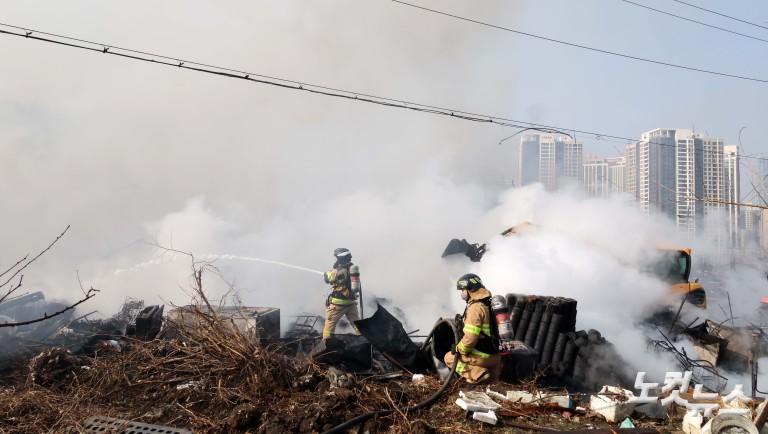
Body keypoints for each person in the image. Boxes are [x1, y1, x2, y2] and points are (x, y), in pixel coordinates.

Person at [444, 273, 502, 384]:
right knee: (492, 387)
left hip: (483, 357)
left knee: (449, 358)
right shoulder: (489, 304)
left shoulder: (475, 308)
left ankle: (478, 374)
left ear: (469, 290)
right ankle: (488, 378)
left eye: (462, 290)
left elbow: (470, 339)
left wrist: (458, 349)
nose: (462, 293)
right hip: (495, 358)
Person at [322, 247, 361, 339]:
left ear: (340, 258)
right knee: (357, 324)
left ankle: (327, 344)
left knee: (329, 324)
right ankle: (363, 340)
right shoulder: (352, 268)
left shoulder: (339, 271)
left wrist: (326, 274)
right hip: (351, 302)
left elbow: (328, 279)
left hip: (338, 304)